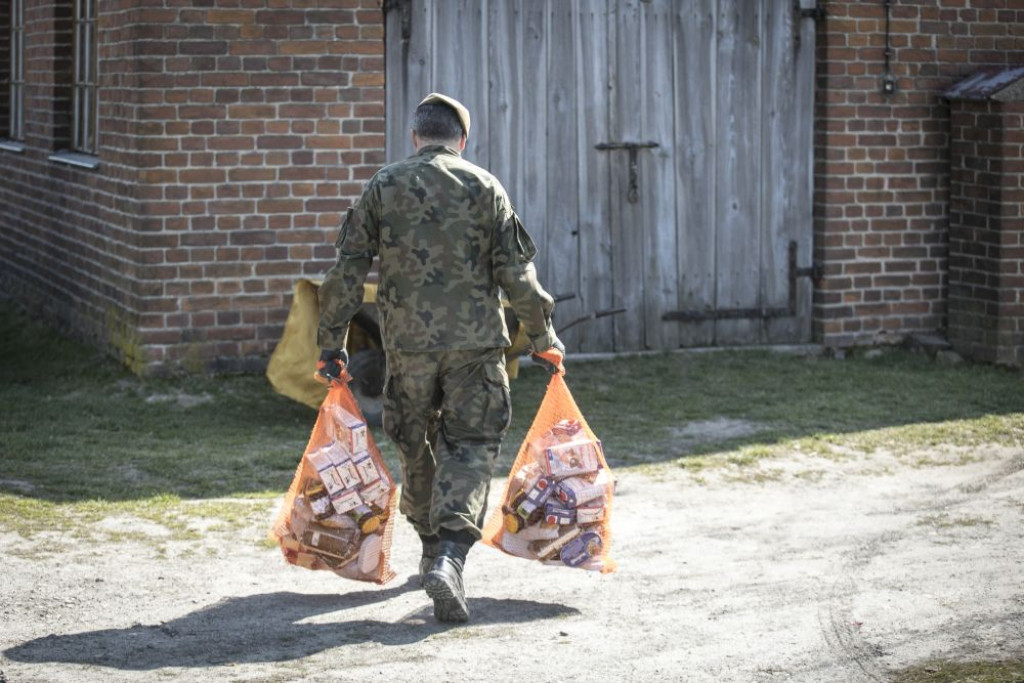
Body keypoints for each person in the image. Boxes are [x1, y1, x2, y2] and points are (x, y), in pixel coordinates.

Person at [315, 92, 565, 623]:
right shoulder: (485, 186)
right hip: (475, 345)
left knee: (415, 439)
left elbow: (345, 273)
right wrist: (543, 336)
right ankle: (450, 556)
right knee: (471, 443)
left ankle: (431, 547)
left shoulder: (384, 185)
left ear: (415, 137)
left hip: (406, 346)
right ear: (462, 141)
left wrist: (330, 343)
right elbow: (518, 275)